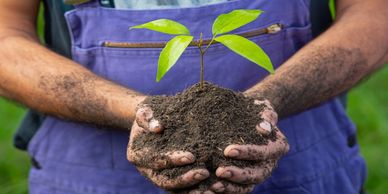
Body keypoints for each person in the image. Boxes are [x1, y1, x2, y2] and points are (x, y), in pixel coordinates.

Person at [0, 0, 387, 193]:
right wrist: (137, 111)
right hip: (90, 170)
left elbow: (375, 14)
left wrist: (267, 104)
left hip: (300, 162)